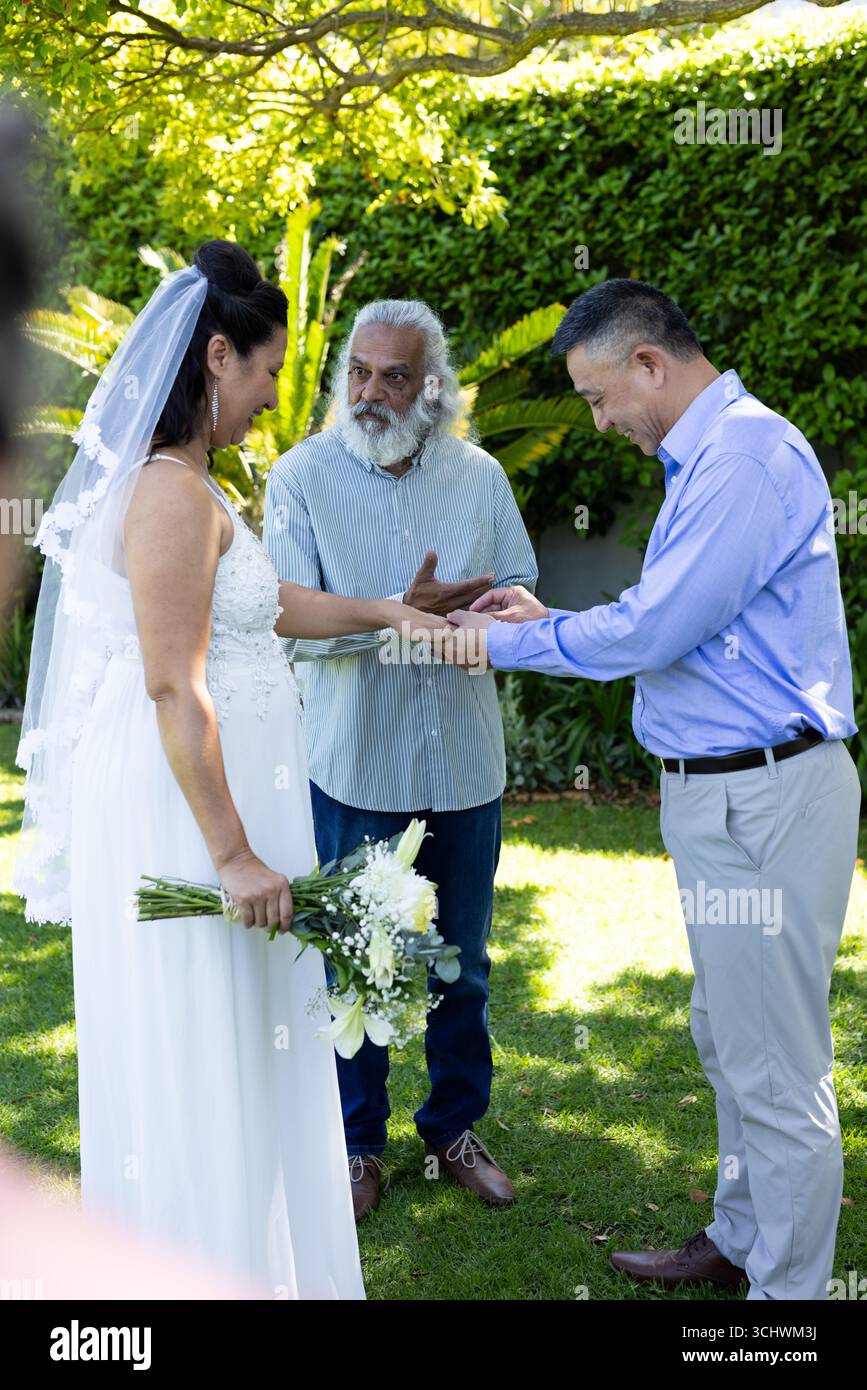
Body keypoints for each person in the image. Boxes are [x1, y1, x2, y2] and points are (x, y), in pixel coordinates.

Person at [14, 241, 442, 1297]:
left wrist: (390, 609)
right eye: (263, 371)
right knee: (204, 1060)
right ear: (216, 356)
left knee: (253, 1051)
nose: (270, 395)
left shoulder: (195, 484)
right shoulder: (166, 493)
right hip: (190, 820)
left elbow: (271, 605)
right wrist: (236, 853)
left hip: (218, 811)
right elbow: (173, 680)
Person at [444, 279, 861, 1301]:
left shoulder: (748, 459)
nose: (596, 421)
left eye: (596, 397)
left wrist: (507, 639)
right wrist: (549, 615)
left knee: (775, 1069)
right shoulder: (712, 458)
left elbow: (655, 632)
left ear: (648, 364)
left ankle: (786, 1306)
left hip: (761, 798)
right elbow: (674, 614)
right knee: (730, 1038)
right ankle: (740, 1240)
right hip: (727, 800)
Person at [264, 299, 538, 1220]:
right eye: (358, 372)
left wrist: (478, 608)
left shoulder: (479, 476)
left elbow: (518, 589)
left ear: (432, 386)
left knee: (464, 964)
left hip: (463, 763)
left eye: (393, 376)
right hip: (356, 766)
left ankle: (454, 1127)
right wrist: (396, 606)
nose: (371, 392)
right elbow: (284, 621)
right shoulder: (301, 477)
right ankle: (354, 1146)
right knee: (358, 961)